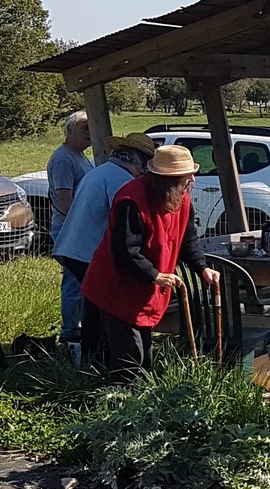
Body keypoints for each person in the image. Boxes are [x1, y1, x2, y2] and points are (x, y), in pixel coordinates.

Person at [79, 144, 219, 381]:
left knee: (144, 358)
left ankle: (138, 406)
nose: (192, 180)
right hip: (116, 288)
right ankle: (119, 406)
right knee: (130, 357)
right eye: (187, 176)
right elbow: (125, 251)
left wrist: (202, 268)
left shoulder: (181, 199)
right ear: (170, 180)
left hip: (145, 290)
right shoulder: (131, 201)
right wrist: (155, 275)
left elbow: (188, 240)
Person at [52, 133, 158, 353]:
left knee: (93, 306)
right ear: (137, 159)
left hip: (74, 248)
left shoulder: (101, 171)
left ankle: (91, 357)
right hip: (88, 252)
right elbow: (124, 221)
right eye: (146, 162)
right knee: (104, 307)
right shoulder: (121, 180)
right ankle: (101, 355)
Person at [45, 112, 95, 343]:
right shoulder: (64, 159)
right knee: (74, 279)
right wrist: (84, 222)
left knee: (82, 279)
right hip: (68, 229)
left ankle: (81, 327)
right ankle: (70, 332)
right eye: (85, 129)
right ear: (69, 131)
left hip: (77, 229)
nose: (90, 134)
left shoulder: (80, 156)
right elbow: (65, 200)